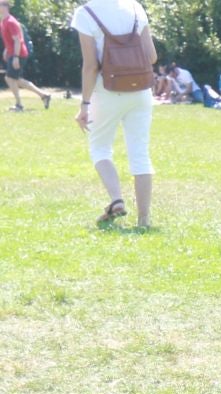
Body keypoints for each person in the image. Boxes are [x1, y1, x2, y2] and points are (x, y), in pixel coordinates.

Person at [71, 0, 154, 229]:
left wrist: (84, 104)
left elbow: (90, 66)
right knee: (140, 154)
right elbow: (152, 56)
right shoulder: (136, 7)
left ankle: (117, 199)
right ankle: (144, 220)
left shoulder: (85, 13)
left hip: (106, 90)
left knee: (100, 148)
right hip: (140, 90)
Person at [1, 0, 52, 110]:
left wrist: (15, 57)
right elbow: (11, 40)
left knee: (10, 78)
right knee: (15, 79)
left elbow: (18, 41)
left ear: (5, 6)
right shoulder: (4, 21)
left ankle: (19, 105)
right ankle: (44, 95)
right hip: (14, 53)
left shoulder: (11, 22)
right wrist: (6, 50)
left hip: (18, 54)